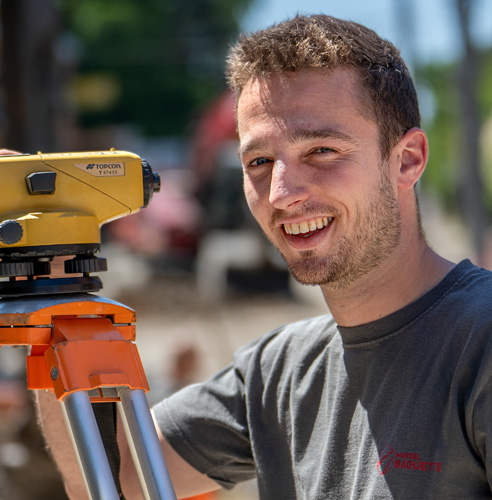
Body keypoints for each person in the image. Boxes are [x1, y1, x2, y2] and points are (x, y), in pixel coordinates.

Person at [35, 13, 492, 499]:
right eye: (259, 162)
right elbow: (109, 479)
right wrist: (53, 299)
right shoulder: (279, 371)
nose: (281, 193)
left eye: (321, 150)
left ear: (407, 160)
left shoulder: (478, 342)